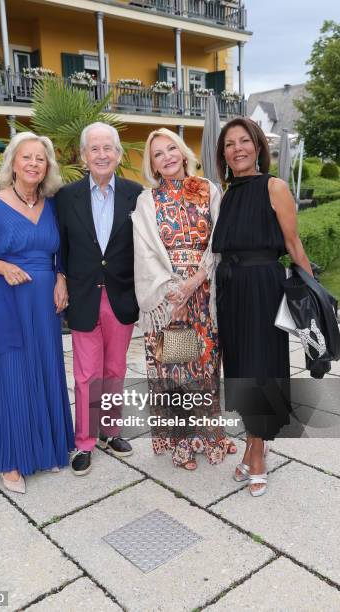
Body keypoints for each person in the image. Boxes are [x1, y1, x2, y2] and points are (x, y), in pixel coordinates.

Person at [0, 132, 74, 494]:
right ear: (12, 163)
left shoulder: (53, 205)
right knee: (9, 377)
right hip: (5, 302)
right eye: (26, 157)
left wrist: (61, 278)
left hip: (43, 305)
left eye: (40, 159)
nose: (33, 164)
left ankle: (46, 449)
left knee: (43, 371)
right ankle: (10, 460)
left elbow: (60, 253)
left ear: (47, 166)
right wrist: (0, 266)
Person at [213, 117, 313, 496]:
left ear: (257, 147)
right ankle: (255, 444)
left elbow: (294, 245)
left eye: (244, 141)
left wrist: (312, 300)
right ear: (223, 154)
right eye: (229, 144)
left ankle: (256, 453)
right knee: (240, 370)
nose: (237, 149)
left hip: (263, 289)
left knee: (260, 368)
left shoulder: (275, 187)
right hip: (231, 290)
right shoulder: (227, 194)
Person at [132, 127, 237, 470]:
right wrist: (171, 291)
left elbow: (218, 243)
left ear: (182, 151)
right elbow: (145, 253)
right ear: (153, 165)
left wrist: (194, 281)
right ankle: (182, 444)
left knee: (206, 368)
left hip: (204, 295)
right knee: (177, 372)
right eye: (158, 154)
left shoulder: (208, 191)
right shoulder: (148, 201)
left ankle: (211, 436)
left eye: (171, 149)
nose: (167, 157)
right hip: (170, 301)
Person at [55, 122, 143, 476]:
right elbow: (58, 245)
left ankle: (111, 431)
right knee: (87, 373)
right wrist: (59, 276)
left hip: (121, 295)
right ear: (83, 156)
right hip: (83, 296)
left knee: (115, 370)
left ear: (118, 154)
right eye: (95, 149)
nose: (102, 154)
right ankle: (86, 440)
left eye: (108, 148)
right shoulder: (65, 197)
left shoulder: (136, 194)